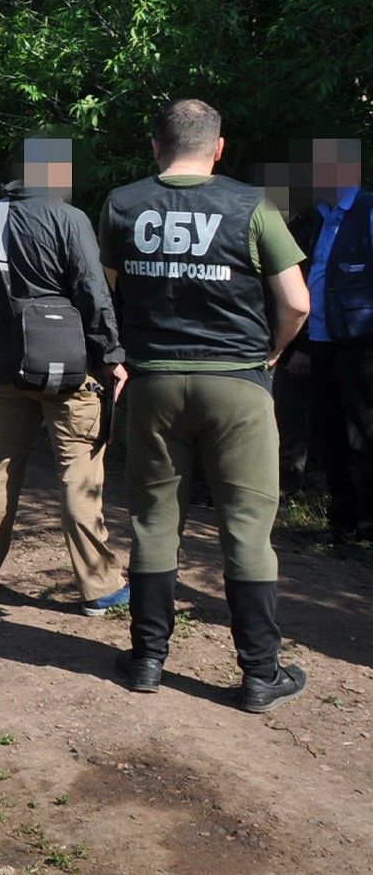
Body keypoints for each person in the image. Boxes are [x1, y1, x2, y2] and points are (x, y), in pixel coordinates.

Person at [101, 99, 311, 712]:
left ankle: (146, 659)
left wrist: (119, 355)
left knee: (153, 521)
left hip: (154, 383)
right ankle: (260, 674)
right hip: (237, 384)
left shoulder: (122, 204)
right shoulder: (251, 205)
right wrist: (272, 352)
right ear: (218, 148)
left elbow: (105, 294)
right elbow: (297, 302)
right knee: (246, 527)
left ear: (155, 145)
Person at [0, 137, 129, 614]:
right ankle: (99, 588)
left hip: (4, 366)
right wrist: (111, 355)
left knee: (0, 470)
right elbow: (93, 293)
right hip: (68, 368)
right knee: (78, 472)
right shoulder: (69, 219)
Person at [292, 137, 373, 544]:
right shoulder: (318, 218)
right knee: (329, 433)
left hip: (362, 343)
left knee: (363, 435)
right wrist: (305, 343)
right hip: (323, 341)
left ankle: (367, 525)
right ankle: (341, 523)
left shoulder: (368, 211)